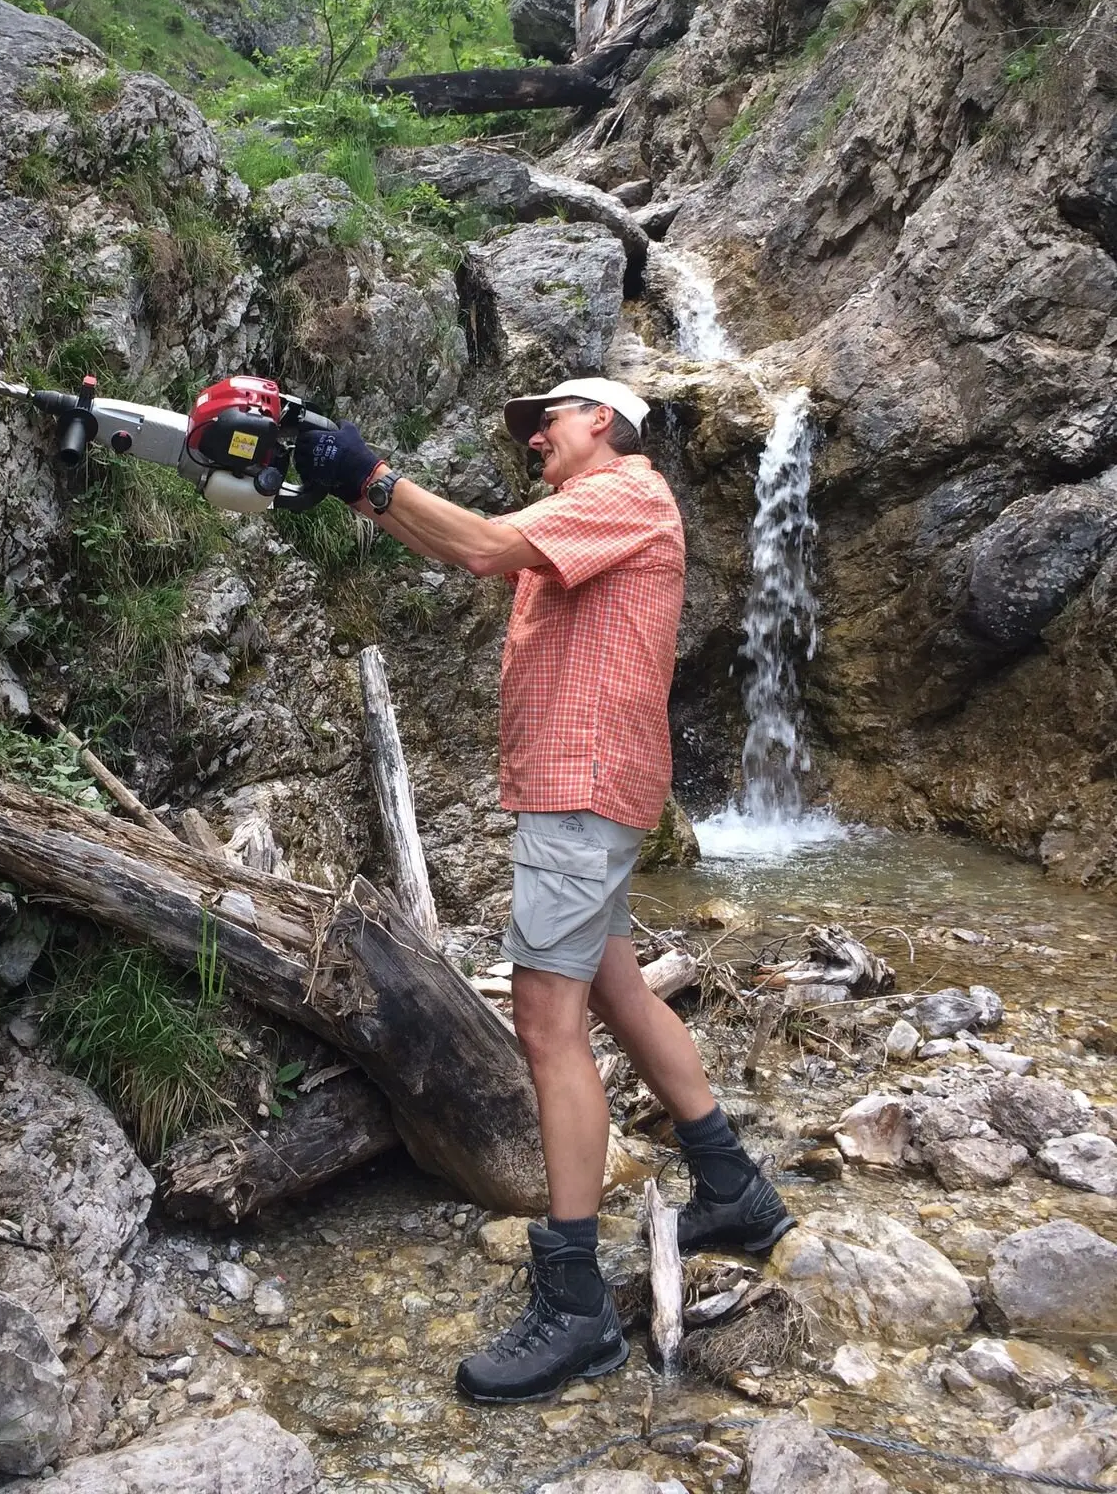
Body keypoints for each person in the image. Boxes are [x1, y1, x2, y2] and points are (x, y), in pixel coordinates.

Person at [296, 378, 792, 1405]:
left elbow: (475, 544)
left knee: (546, 1017)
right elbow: (462, 542)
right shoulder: (589, 510)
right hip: (588, 789)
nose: (534, 439)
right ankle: (732, 1184)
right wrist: (350, 487)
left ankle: (571, 1304)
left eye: (547, 422)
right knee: (618, 988)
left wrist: (368, 472)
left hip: (583, 789)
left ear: (601, 421)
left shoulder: (626, 491)